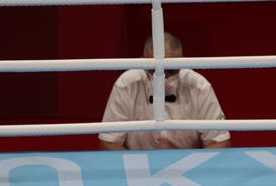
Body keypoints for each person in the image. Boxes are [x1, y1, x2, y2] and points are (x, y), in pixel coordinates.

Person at [99, 33, 231, 150]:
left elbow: (220, 142)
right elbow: (108, 142)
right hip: (139, 166)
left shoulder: (199, 86)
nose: (164, 78)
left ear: (182, 62)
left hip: (189, 164)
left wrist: (192, 167)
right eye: (155, 70)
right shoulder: (126, 84)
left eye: (171, 70)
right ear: (143, 61)